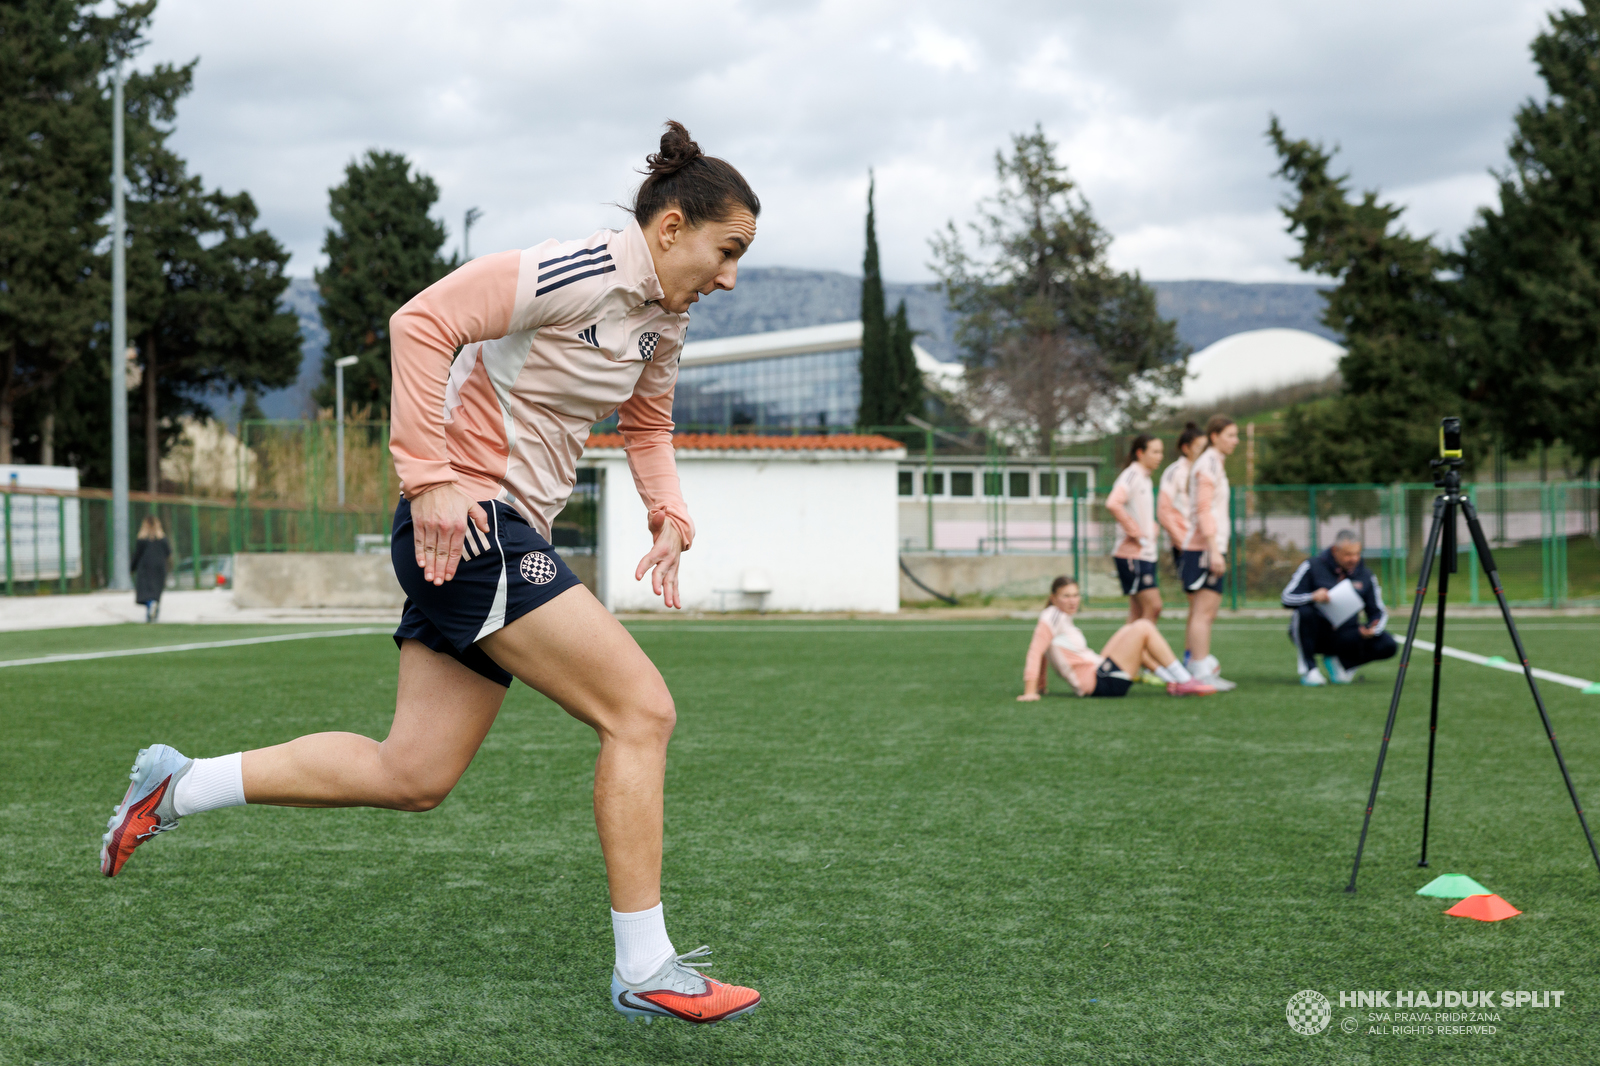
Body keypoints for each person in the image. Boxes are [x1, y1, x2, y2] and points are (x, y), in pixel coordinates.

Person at [98, 122, 762, 1025]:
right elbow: (423, 322)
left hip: (496, 532)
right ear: (673, 226)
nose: (729, 277)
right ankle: (645, 965)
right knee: (641, 711)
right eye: (727, 252)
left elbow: (646, 427)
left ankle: (178, 785)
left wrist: (668, 509)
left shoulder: (663, 322)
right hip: (472, 523)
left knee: (412, 772)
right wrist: (432, 478)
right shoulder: (575, 271)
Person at [1018, 577, 1217, 700]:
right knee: (1143, 627)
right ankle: (1184, 679)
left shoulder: (1059, 618)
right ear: (1053, 598)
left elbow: (1046, 652)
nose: (1072, 601)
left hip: (1101, 672)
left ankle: (1173, 681)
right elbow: (1036, 650)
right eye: (1066, 596)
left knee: (1130, 630)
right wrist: (1030, 690)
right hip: (1101, 683)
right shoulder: (1051, 616)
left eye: (1076, 595)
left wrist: (1041, 686)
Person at [1281, 529, 1397, 685]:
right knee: (1304, 612)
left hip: (1345, 635)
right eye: (1348, 554)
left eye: (1357, 554)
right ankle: (1309, 670)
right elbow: (1286, 598)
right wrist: (1312, 597)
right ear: (1335, 550)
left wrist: (1372, 627)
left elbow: (1377, 611)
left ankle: (1342, 664)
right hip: (1316, 634)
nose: (1354, 559)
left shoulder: (1365, 575)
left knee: (1388, 644)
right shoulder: (1313, 566)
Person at [1181, 415, 1238, 690]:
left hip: (1213, 546)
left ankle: (1200, 667)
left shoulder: (1215, 463)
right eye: (1230, 435)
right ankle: (1198, 670)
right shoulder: (1207, 464)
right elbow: (1203, 509)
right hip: (1203, 548)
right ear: (1214, 436)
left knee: (1208, 612)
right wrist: (1214, 550)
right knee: (1202, 612)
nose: (1235, 441)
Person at [1105, 434, 1163, 623]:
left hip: (1146, 554)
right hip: (1133, 555)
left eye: (1161, 452)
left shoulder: (1145, 478)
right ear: (1140, 453)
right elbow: (1113, 503)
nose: (1159, 456)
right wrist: (1136, 532)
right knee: (1153, 607)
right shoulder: (1132, 475)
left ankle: (1125, 653)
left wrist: (1151, 527)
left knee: (1137, 614)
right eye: (1154, 451)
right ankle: (1132, 652)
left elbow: (1138, 512)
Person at [1157, 423, 1205, 587]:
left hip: (1204, 542)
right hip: (1186, 544)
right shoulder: (1175, 472)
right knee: (1195, 597)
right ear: (1186, 448)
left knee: (1205, 599)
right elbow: (1163, 511)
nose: (1203, 451)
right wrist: (1182, 541)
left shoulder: (1202, 471)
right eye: (1199, 447)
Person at [131, 515, 171, 623]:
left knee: (146, 591)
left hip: (145, 567)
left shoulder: (142, 540)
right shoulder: (162, 539)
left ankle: (150, 606)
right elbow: (168, 552)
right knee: (156, 591)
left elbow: (137, 555)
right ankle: (154, 610)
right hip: (159, 568)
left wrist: (132, 567)